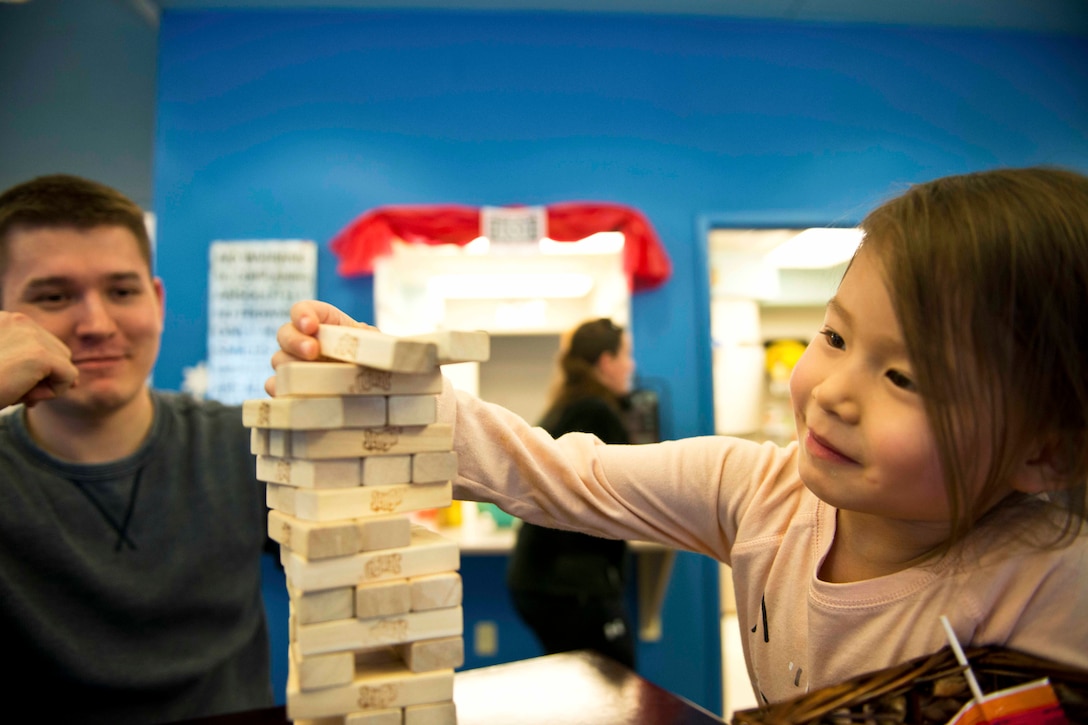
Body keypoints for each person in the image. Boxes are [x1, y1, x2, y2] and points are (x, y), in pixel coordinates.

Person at [272, 167, 1088, 705]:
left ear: (1043, 450)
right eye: (834, 338)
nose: (833, 393)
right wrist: (393, 397)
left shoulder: (1052, 583)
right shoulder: (756, 490)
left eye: (904, 377)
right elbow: (560, 474)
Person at [0, 175, 272, 722]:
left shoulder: (248, 443)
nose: (97, 325)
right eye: (53, 296)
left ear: (157, 301)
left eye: (122, 292)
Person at [507, 318, 638, 669]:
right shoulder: (594, 411)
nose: (632, 365)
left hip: (545, 579)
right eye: (626, 355)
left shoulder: (568, 405)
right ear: (606, 362)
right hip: (570, 583)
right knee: (617, 686)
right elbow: (616, 491)